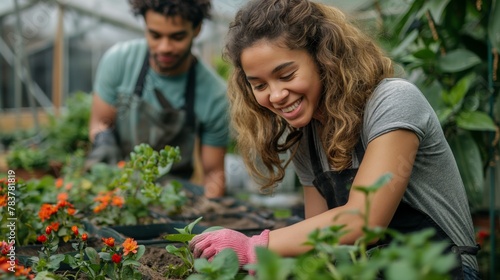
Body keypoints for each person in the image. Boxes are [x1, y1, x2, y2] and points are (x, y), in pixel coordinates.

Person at [189, 0, 480, 278]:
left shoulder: (393, 102)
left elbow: (364, 221)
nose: (276, 95)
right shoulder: (307, 140)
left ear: (323, 58)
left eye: (287, 75)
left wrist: (255, 247)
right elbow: (322, 246)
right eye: (260, 85)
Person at [87, 0, 229, 198]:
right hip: (115, 188)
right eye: (155, 35)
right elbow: (100, 123)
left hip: (171, 199)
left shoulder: (214, 95)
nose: (164, 48)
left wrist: (210, 205)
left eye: (177, 37)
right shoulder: (118, 61)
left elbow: (213, 172)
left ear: (197, 30)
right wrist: (103, 140)